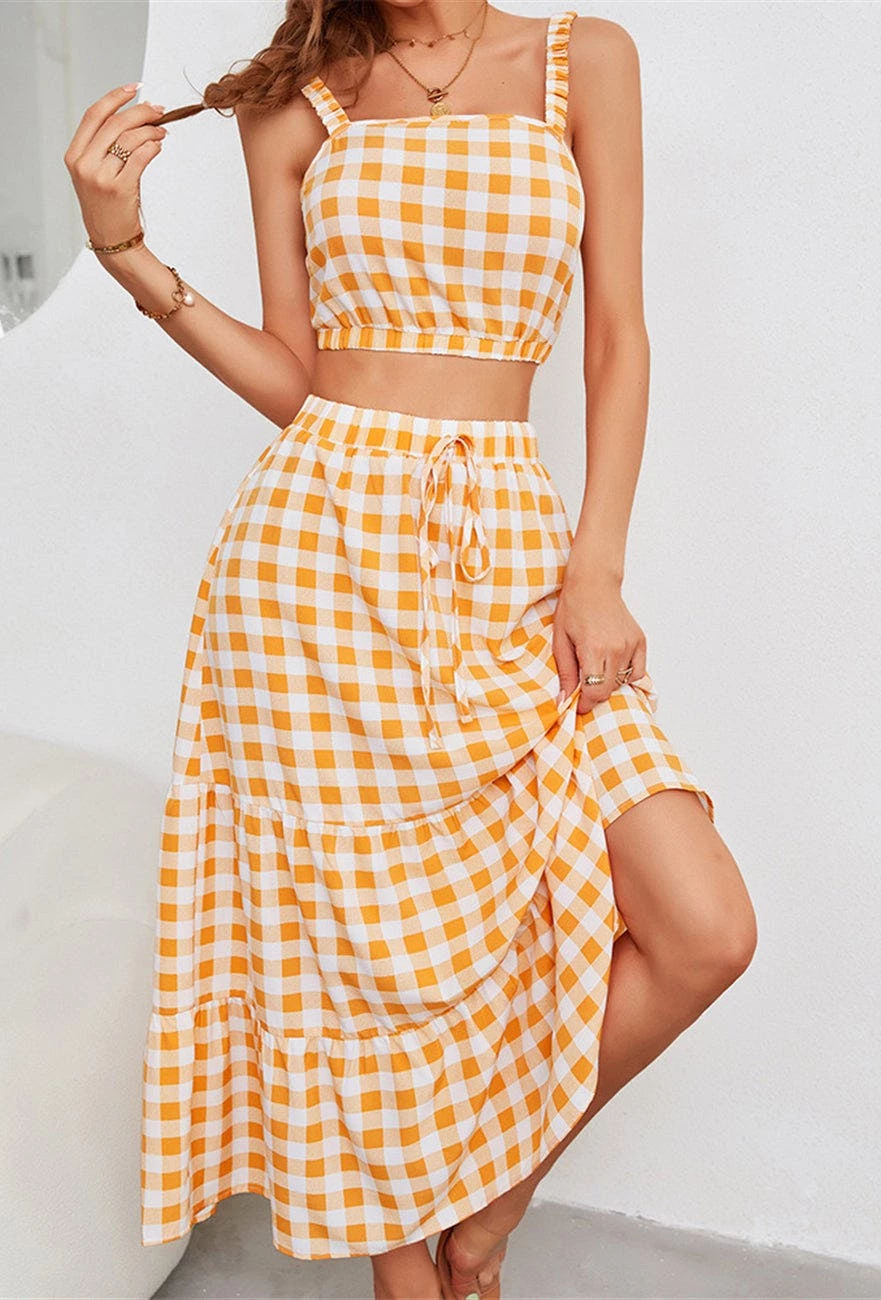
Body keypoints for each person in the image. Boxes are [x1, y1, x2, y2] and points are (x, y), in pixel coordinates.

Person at [65, 3, 757, 1297]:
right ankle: (402, 1266)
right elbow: (299, 380)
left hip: (512, 548)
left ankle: (483, 1220)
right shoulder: (296, 100)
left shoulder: (583, 61)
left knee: (706, 926)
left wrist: (596, 568)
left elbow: (618, 337)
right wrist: (126, 253)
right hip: (318, 563)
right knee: (355, 940)